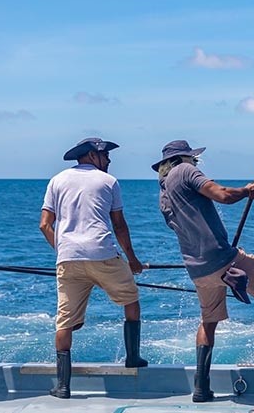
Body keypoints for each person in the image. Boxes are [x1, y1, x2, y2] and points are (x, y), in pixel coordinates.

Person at [153, 140, 254, 402]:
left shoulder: (164, 190)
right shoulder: (185, 171)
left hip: (197, 269)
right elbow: (223, 195)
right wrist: (247, 191)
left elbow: (180, 225)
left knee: (208, 321)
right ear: (184, 158)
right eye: (194, 159)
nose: (196, 163)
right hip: (223, 259)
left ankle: (201, 388)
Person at [39, 137, 147, 399]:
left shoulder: (57, 180)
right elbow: (119, 226)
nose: (109, 160)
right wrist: (132, 260)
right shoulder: (109, 182)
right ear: (91, 155)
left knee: (64, 321)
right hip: (103, 253)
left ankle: (63, 386)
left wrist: (64, 249)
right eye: (105, 155)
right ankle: (133, 358)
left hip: (67, 258)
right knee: (131, 299)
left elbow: (44, 224)